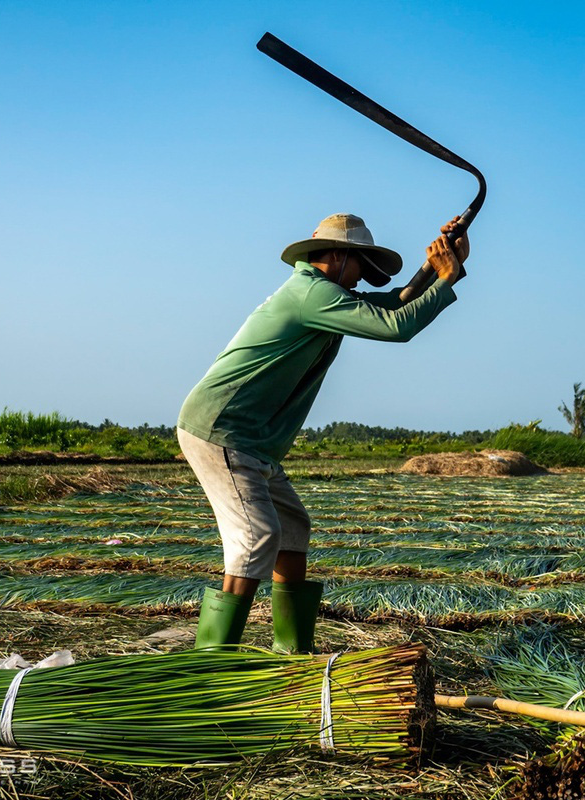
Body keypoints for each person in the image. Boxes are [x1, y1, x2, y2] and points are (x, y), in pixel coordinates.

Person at [177, 213, 469, 652]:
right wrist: (445, 282)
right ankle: (211, 663)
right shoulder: (312, 295)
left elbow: (395, 302)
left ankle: (292, 651)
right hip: (223, 430)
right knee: (258, 536)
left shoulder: (320, 293)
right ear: (335, 256)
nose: (361, 282)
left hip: (253, 441)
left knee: (292, 527)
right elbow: (397, 326)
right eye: (360, 269)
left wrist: (439, 265)